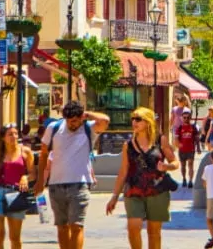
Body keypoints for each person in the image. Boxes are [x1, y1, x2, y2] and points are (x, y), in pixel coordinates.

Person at [34, 100, 110, 249]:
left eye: (75, 121)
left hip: (80, 184)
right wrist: (40, 180)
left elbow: (105, 120)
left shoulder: (89, 128)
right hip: (56, 185)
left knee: (76, 226)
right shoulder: (54, 128)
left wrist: (87, 115)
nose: (72, 124)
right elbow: (43, 155)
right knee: (62, 227)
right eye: (69, 121)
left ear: (81, 117)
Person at [106, 107, 178, 249]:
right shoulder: (128, 145)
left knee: (154, 232)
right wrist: (114, 197)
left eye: (138, 119)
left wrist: (166, 167)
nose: (134, 122)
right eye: (132, 119)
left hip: (157, 191)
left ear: (148, 122)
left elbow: (175, 162)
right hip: (133, 190)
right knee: (133, 227)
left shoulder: (160, 140)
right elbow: (123, 171)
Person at [0, 123, 35, 249]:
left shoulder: (25, 152)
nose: (14, 136)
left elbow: (33, 173)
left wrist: (25, 177)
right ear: (3, 137)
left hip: (15, 194)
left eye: (16, 134)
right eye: (10, 134)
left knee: (14, 237)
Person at [175, 109, 199, 188]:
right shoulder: (179, 128)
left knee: (190, 165)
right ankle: (184, 179)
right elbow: (176, 138)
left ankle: (190, 181)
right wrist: (178, 144)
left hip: (191, 149)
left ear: (190, 118)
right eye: (184, 117)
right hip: (182, 150)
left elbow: (197, 138)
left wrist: (198, 147)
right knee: (183, 165)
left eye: (188, 117)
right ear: (182, 118)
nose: (186, 119)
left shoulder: (193, 127)